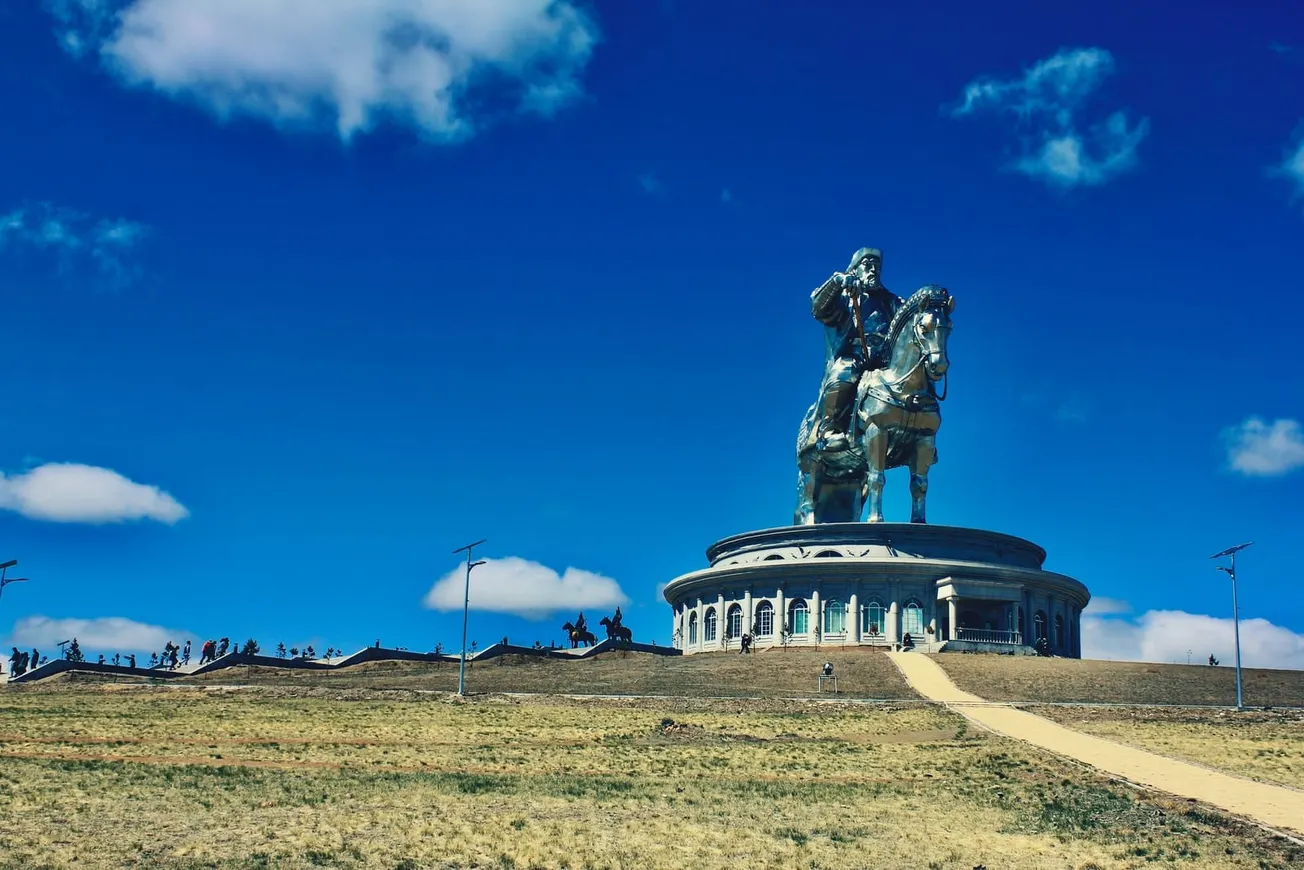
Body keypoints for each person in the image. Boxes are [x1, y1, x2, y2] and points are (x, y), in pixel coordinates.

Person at [808, 247, 904, 450]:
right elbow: (818, 308)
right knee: (844, 372)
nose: (873, 270)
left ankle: (918, 430)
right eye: (867, 265)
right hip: (856, 353)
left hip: (886, 359)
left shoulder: (890, 301)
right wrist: (837, 282)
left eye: (877, 267)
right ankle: (830, 428)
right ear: (855, 270)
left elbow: (907, 319)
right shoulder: (846, 295)